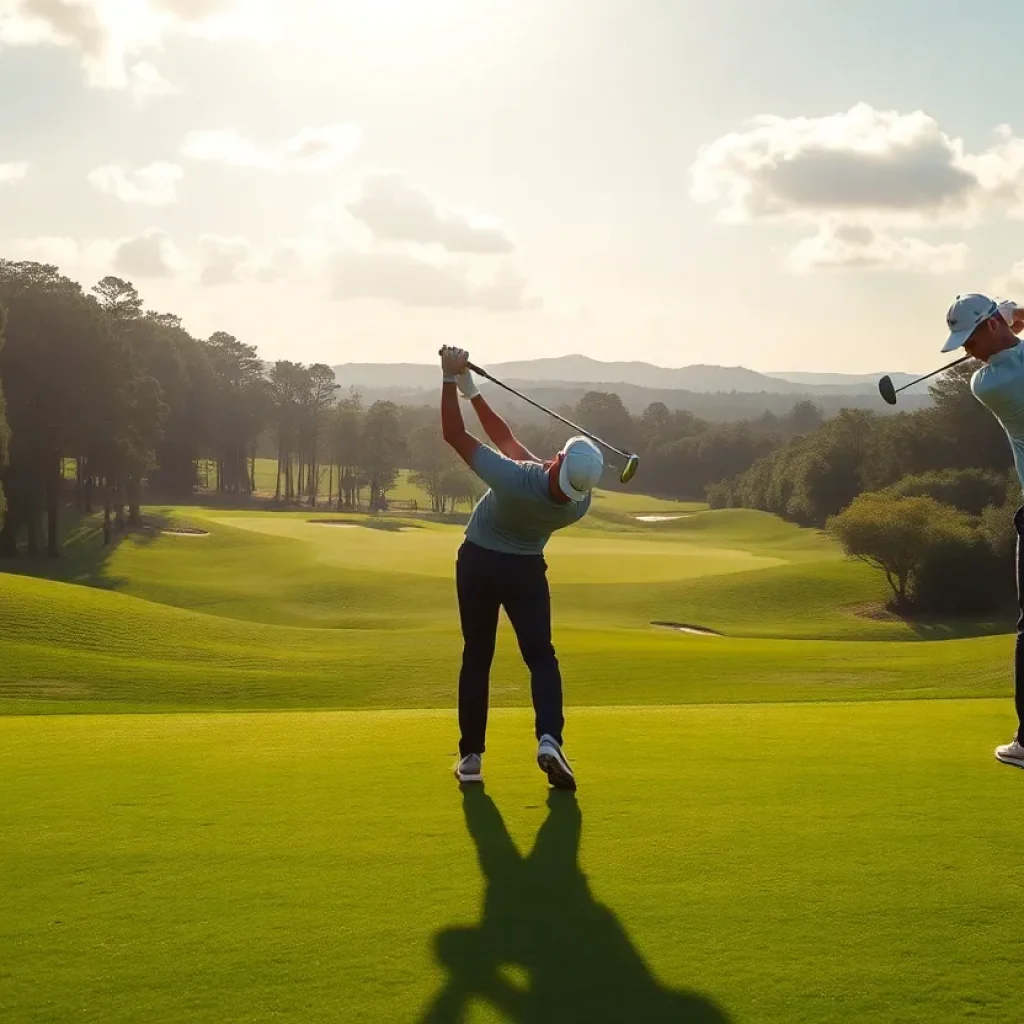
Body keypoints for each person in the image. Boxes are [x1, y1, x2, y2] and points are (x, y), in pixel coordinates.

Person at [437, 345, 604, 790]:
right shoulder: (577, 505)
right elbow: (508, 441)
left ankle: (471, 759)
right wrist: (475, 391)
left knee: (477, 657)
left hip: (478, 564)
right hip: (526, 573)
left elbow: (457, 436)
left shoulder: (515, 480)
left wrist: (449, 379)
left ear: (560, 463)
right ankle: (550, 738)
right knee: (541, 657)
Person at [940, 293, 1024, 768]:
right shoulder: (996, 376)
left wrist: (1010, 317)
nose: (967, 352)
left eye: (970, 338)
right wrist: (1012, 316)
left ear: (990, 327)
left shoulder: (990, 384)